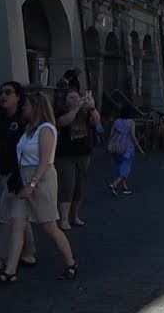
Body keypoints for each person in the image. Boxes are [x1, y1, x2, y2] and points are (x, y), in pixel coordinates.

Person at [0, 91, 78, 285]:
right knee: (17, 224)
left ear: (36, 107)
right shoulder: (28, 129)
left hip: (41, 179)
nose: (24, 108)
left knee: (50, 227)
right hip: (23, 176)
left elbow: (44, 161)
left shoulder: (46, 129)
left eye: (27, 105)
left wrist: (33, 184)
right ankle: (10, 271)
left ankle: (71, 263)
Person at [0, 82, 38, 275]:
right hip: (4, 172)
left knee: (5, 216)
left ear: (18, 96)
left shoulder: (23, 119)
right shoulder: (0, 117)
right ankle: (28, 252)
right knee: (20, 216)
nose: (3, 96)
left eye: (8, 93)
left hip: (18, 173)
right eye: (1, 92)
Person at [55, 89, 99, 228]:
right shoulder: (60, 112)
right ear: (65, 100)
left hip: (83, 153)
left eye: (77, 97)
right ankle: (63, 219)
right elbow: (63, 122)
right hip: (65, 154)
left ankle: (75, 216)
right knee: (67, 185)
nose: (75, 100)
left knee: (79, 186)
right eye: (71, 97)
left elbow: (96, 121)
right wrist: (75, 108)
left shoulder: (85, 113)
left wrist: (92, 107)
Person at [107, 106, 143, 195]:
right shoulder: (131, 122)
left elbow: (111, 134)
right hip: (127, 147)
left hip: (116, 146)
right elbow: (133, 136)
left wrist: (108, 145)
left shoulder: (116, 122)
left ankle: (124, 187)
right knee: (126, 167)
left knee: (119, 166)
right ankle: (114, 184)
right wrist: (139, 147)